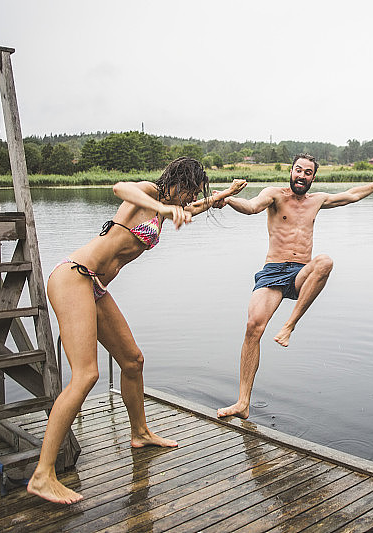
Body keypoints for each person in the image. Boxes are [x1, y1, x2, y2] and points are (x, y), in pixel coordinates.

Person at [27, 157, 246, 504]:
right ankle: (43, 474)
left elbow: (193, 209)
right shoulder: (148, 193)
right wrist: (162, 205)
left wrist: (225, 195)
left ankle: (140, 433)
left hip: (94, 287)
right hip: (73, 276)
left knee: (133, 360)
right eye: (187, 189)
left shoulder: (166, 208)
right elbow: (119, 188)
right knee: (86, 376)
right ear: (175, 181)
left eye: (193, 194)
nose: (189, 198)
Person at [216, 153, 373, 419]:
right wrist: (229, 198)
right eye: (298, 170)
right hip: (274, 270)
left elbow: (352, 195)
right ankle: (243, 403)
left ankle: (289, 325)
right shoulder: (274, 195)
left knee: (324, 261)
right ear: (291, 171)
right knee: (253, 327)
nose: (302, 176)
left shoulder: (317, 200)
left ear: (313, 177)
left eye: (307, 172)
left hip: (302, 272)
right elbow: (252, 206)